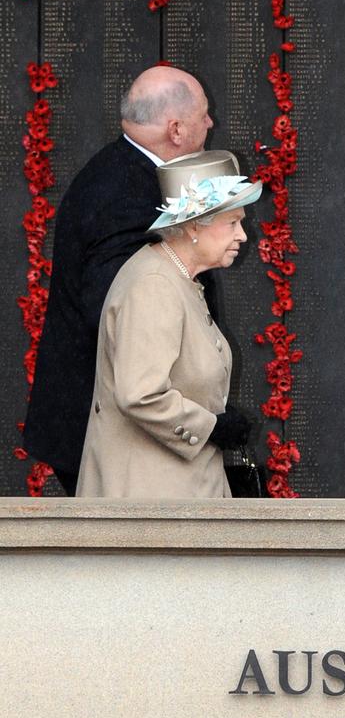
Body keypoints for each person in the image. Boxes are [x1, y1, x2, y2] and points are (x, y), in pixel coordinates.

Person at [23, 65, 215, 496]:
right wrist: (206, 423)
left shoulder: (122, 172)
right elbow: (129, 320)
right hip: (116, 433)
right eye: (204, 115)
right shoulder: (125, 196)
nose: (210, 124)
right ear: (177, 129)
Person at [76, 151, 261, 498]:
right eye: (233, 223)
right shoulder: (154, 284)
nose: (243, 236)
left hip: (174, 495)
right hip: (149, 503)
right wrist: (212, 427)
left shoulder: (175, 277)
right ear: (194, 226)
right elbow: (140, 395)